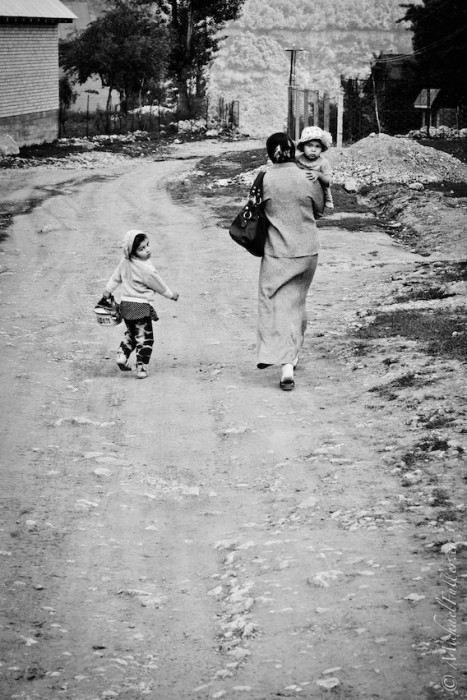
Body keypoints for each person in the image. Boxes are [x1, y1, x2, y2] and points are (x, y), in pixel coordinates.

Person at [257, 132, 323, 391]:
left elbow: (256, 210)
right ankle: (292, 354)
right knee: (296, 301)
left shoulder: (265, 178)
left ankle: (283, 362)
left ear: (269, 153)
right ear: (293, 150)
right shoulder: (308, 176)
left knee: (273, 303)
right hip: (307, 251)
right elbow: (318, 209)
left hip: (277, 252)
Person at [97, 230, 179, 379]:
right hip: (141, 308)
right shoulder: (146, 269)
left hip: (126, 306)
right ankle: (141, 368)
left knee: (132, 334)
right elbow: (158, 285)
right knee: (145, 338)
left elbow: (115, 278)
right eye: (141, 249)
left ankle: (122, 354)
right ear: (132, 251)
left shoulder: (124, 262)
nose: (147, 250)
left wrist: (107, 291)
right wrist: (171, 295)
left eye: (147, 245)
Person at [296, 126, 334, 211]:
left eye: (317, 146)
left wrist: (319, 175)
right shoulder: (297, 160)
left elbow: (329, 181)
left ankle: (328, 201)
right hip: (299, 193)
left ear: (322, 148)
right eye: (309, 145)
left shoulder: (323, 162)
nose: (313, 149)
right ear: (303, 146)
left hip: (317, 195)